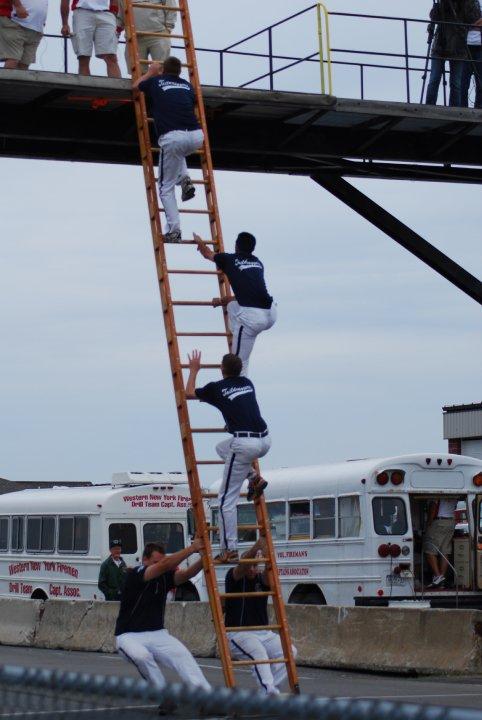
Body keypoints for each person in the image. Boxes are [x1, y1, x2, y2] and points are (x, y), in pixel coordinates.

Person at [186, 351, 270, 564]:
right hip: (264, 439)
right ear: (240, 369)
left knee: (225, 500)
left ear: (221, 370)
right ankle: (253, 478)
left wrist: (194, 370)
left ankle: (229, 548)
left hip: (245, 444)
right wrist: (231, 425)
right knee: (222, 448)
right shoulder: (248, 383)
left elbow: (187, 393)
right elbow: (241, 407)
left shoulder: (217, 388)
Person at [115, 539, 210, 713]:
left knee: (183, 656)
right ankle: (165, 697)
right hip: (128, 636)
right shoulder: (135, 574)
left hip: (158, 633)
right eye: (155, 562)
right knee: (142, 656)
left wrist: (205, 558)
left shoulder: (164, 577)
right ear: (144, 560)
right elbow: (166, 564)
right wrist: (192, 548)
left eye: (160, 562)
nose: (159, 566)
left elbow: (186, 574)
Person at [133, 56, 203, 244]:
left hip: (173, 137)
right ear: (180, 71)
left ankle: (174, 230)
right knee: (177, 153)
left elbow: (135, 86)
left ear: (163, 70)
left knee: (165, 187)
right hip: (196, 136)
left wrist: (150, 72)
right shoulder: (188, 86)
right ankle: (184, 178)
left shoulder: (155, 81)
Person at [194, 231, 276, 377]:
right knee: (232, 307)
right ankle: (238, 334)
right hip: (271, 312)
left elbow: (207, 253)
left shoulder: (229, 259)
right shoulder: (258, 263)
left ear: (236, 245)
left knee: (237, 364)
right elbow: (246, 295)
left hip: (252, 319)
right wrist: (221, 301)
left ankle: (240, 394)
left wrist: (199, 241)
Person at [225, 538, 297, 695]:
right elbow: (241, 567)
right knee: (259, 653)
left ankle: (267, 690)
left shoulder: (261, 579)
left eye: (255, 566)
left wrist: (267, 555)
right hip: (238, 633)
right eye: (250, 566)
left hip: (263, 633)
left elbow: (268, 574)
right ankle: (269, 689)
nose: (252, 570)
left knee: (290, 650)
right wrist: (255, 548)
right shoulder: (233, 577)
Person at [425, 0, 482, 107]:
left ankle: (456, 110)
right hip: (442, 45)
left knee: (456, 83)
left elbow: (473, 18)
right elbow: (434, 16)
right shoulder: (444, 4)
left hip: (458, 47)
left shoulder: (466, 4)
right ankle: (430, 106)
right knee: (436, 80)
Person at [60, 0, 121, 78]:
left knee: (111, 56)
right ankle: (85, 89)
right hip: (82, 12)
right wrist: (65, 24)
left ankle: (115, 88)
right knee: (83, 56)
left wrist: (113, 14)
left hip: (106, 13)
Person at [117, 0, 176, 73]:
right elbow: (120, 14)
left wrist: (168, 28)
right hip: (134, 37)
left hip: (158, 34)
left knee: (162, 71)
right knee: (137, 73)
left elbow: (171, 7)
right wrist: (116, 33)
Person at [0, 0, 47, 70]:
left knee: (25, 63)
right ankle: (6, 80)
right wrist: (18, 6)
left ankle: (14, 80)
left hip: (35, 28)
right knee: (13, 59)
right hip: (15, 21)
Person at [423, 498, 458, 587]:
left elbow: (433, 507)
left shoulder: (436, 491)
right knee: (444, 550)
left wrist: (429, 523)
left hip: (439, 521)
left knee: (429, 549)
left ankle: (438, 576)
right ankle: (441, 577)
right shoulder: (452, 491)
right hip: (451, 521)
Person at [461, 12, 482, 107]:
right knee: (464, 80)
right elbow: (461, 20)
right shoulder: (463, 5)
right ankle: (462, 106)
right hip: (465, 47)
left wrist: (471, 25)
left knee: (480, 80)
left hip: (480, 47)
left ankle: (479, 106)